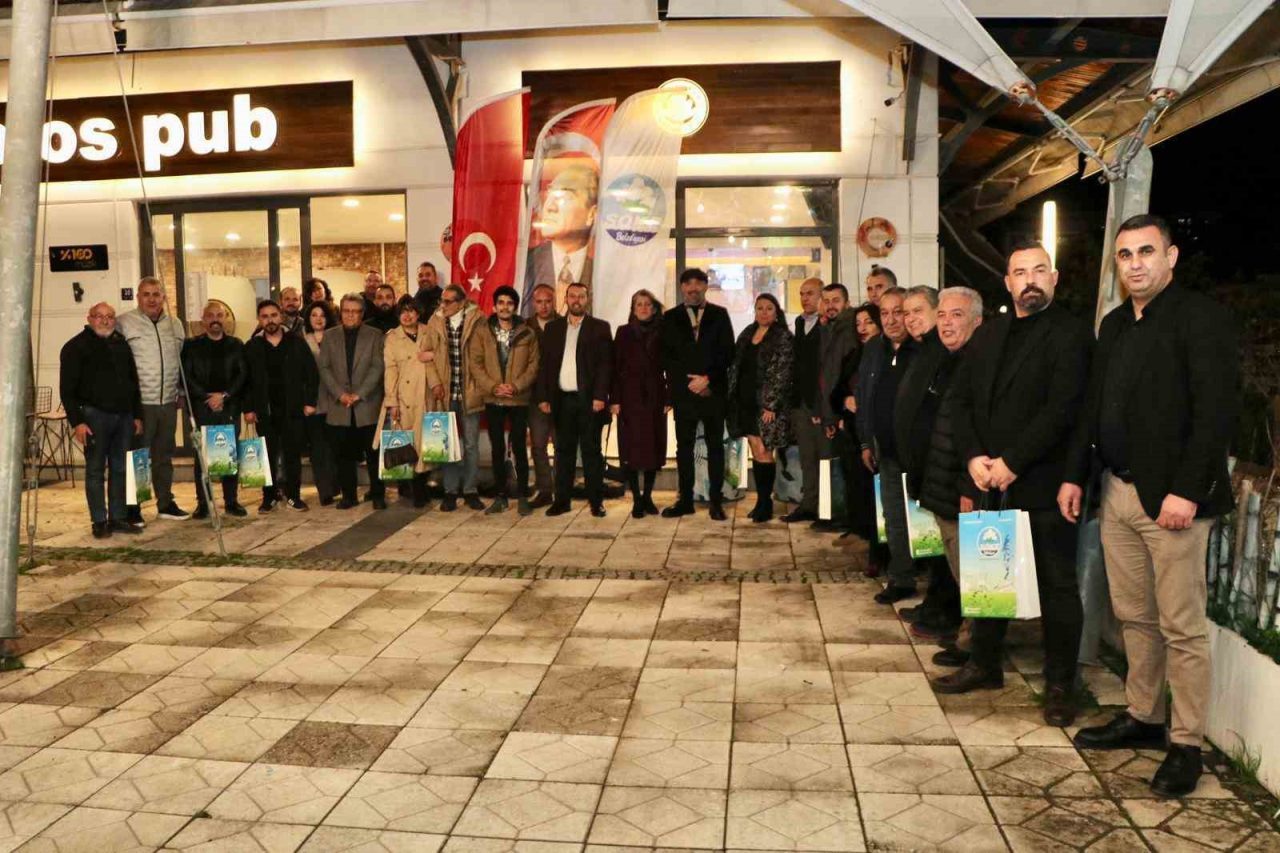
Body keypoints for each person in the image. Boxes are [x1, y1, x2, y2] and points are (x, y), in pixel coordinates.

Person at [1065, 215, 1239, 797]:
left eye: (1146, 251)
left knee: (1181, 627)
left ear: (1171, 256)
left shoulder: (1199, 319)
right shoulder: (1114, 325)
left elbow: (1215, 412)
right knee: (1135, 615)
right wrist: (1076, 479)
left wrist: (1186, 491)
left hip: (1173, 503)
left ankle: (1186, 743)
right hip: (1117, 493)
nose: (1134, 263)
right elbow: (1094, 411)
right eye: (1124, 254)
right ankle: (1144, 716)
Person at [938, 240, 1093, 729]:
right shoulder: (990, 335)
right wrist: (975, 458)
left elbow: (1063, 410)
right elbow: (961, 402)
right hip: (990, 478)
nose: (1029, 279)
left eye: (1039, 270)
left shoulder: (1072, 335)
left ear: (1054, 279)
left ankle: (1061, 685)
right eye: (1019, 271)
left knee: (1056, 585)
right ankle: (984, 664)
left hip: (1045, 481)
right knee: (991, 580)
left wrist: (1013, 461)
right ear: (1006, 283)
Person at [899, 287, 984, 657]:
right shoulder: (949, 360)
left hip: (961, 488)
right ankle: (968, 638)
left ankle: (974, 648)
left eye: (957, 315)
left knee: (972, 573)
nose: (947, 323)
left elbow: (977, 432)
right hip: (940, 484)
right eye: (944, 315)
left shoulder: (976, 363)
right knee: (956, 568)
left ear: (977, 322)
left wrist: (968, 487)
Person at [855, 287, 920, 603]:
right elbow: (865, 398)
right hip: (886, 451)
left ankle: (935, 580)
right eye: (886, 313)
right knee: (893, 516)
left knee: (928, 519)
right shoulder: (874, 349)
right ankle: (902, 577)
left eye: (900, 312)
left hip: (920, 453)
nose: (893, 319)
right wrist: (866, 441)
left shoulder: (921, 349)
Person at [60, 303, 143, 539]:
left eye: (110, 317)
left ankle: (117, 517)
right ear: (89, 318)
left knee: (119, 468)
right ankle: (99, 521)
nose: (105, 321)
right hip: (94, 417)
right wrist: (77, 422)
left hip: (124, 417)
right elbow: (67, 390)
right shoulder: (75, 347)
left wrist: (137, 415)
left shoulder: (121, 344)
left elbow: (133, 382)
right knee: (95, 470)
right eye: (100, 317)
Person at [660, 268, 736, 521]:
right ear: (682, 288)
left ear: (706, 286)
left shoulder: (720, 314)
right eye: (688, 285)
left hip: (713, 392)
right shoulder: (670, 317)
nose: (693, 289)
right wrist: (688, 383)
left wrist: (707, 380)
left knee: (716, 447)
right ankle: (685, 500)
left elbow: (727, 353)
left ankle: (716, 501)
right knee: (684, 449)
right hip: (684, 394)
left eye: (698, 284)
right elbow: (667, 357)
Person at [536, 281, 613, 517]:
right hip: (561, 400)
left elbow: (605, 366)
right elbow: (545, 366)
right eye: (572, 296)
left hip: (589, 401)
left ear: (587, 299)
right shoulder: (554, 328)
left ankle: (596, 501)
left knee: (592, 452)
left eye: (581, 296)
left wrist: (601, 396)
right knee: (563, 452)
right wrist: (544, 397)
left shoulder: (599, 327)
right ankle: (562, 501)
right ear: (566, 299)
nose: (576, 300)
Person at [117, 276, 189, 522]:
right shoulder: (124, 323)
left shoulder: (176, 324)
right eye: (146, 294)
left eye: (156, 294)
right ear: (138, 297)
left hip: (167, 402)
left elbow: (181, 362)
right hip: (141, 404)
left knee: (164, 456)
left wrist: (179, 392)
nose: (151, 299)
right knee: (138, 457)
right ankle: (133, 508)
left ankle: (166, 503)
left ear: (163, 297)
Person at [243, 300, 318, 513]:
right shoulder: (253, 346)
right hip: (265, 412)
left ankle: (294, 495)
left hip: (292, 409)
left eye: (274, 315)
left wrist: (310, 402)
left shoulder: (296, 342)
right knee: (266, 455)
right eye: (265, 316)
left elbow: (311, 374)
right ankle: (269, 496)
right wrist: (248, 408)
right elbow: (246, 381)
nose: (270, 320)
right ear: (260, 320)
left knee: (292, 455)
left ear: (281, 316)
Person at [471, 286, 540, 515]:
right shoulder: (482, 331)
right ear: (494, 306)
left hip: (518, 399)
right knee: (497, 449)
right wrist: (493, 386)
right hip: (493, 399)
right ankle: (500, 497)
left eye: (509, 303)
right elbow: (476, 363)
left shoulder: (527, 333)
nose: (504, 306)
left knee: (520, 447)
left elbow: (533, 365)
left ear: (515, 306)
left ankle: (522, 496)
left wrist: (515, 386)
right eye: (500, 302)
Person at [727, 294, 794, 523]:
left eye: (769, 308)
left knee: (765, 450)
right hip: (745, 402)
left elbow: (782, 373)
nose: (764, 312)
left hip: (767, 405)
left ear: (777, 312)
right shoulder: (747, 333)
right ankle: (760, 500)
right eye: (759, 308)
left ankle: (766, 503)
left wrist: (771, 404)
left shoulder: (782, 336)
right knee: (755, 449)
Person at [317, 294, 386, 510]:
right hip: (340, 405)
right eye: (346, 310)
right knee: (344, 455)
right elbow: (324, 368)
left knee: (373, 453)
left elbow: (377, 367)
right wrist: (340, 394)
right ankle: (349, 496)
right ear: (341, 312)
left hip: (367, 403)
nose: (350, 315)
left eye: (355, 311)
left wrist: (360, 394)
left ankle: (377, 494)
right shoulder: (329, 336)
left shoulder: (375, 335)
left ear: (362, 314)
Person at [182, 302, 249, 519]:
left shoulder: (236, 344)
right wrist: (207, 397)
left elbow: (242, 374)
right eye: (210, 315)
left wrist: (224, 395)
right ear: (203, 320)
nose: (215, 319)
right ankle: (204, 503)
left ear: (226, 318)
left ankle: (231, 501)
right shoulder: (191, 346)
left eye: (219, 315)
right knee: (202, 457)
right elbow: (186, 376)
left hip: (229, 405)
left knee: (228, 454)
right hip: (202, 407)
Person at [423, 284, 486, 511]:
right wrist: (435, 383)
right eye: (442, 300)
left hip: (470, 391)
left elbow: (484, 354)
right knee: (446, 443)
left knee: (470, 444)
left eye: (448, 301)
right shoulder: (435, 321)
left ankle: (470, 490)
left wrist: (481, 386)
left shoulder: (478, 319)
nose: (443, 305)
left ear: (461, 303)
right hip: (445, 392)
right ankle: (449, 491)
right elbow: (425, 356)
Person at [611, 289, 669, 519]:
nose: (643, 308)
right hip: (629, 398)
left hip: (654, 396)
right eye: (639, 304)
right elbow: (615, 368)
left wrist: (669, 397)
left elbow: (670, 367)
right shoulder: (623, 332)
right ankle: (636, 498)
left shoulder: (663, 332)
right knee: (631, 451)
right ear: (633, 309)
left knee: (653, 449)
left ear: (654, 308)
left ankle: (648, 497)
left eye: (647, 304)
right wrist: (614, 399)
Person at [811, 282, 861, 533]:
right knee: (840, 466)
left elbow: (843, 377)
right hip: (833, 409)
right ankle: (844, 518)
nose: (831, 306)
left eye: (836, 301)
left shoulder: (850, 329)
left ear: (847, 302)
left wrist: (835, 415)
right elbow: (825, 375)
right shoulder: (831, 329)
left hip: (846, 411)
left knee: (848, 469)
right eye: (827, 301)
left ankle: (849, 521)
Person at [834, 302, 883, 556]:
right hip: (851, 431)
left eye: (868, 323)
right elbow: (838, 389)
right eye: (858, 324)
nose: (862, 328)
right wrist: (844, 402)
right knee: (854, 482)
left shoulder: (884, 353)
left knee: (871, 488)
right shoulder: (854, 354)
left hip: (874, 432)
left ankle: (874, 541)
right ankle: (859, 530)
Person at [523, 163, 599, 313]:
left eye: (564, 197)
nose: (550, 207)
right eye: (550, 195)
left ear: (591, 214)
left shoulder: (602, 272)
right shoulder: (525, 265)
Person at [781, 277, 825, 524]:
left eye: (810, 293)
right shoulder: (798, 323)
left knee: (825, 459)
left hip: (821, 404)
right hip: (800, 402)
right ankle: (808, 505)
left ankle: (827, 509)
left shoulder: (829, 325)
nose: (805, 298)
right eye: (802, 293)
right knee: (807, 459)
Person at [383, 295, 432, 508]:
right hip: (403, 398)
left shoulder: (430, 332)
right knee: (406, 442)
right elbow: (390, 370)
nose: (407, 315)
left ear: (418, 313)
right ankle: (407, 487)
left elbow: (441, 357)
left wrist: (432, 355)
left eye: (411, 310)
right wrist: (392, 401)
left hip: (426, 395)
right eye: (403, 311)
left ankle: (421, 489)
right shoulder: (392, 337)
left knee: (424, 444)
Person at [302, 301, 339, 505]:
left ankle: (335, 485)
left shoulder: (336, 338)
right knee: (318, 448)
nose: (318, 319)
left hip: (335, 399)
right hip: (313, 400)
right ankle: (324, 490)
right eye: (314, 315)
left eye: (322, 315)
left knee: (334, 445)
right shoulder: (302, 341)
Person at [526, 284, 559, 508]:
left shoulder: (564, 324)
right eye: (540, 301)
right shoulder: (525, 327)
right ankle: (545, 489)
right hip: (534, 396)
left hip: (561, 395)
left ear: (554, 302)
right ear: (533, 303)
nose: (544, 305)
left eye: (548, 301)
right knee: (538, 445)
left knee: (562, 445)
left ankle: (561, 487)